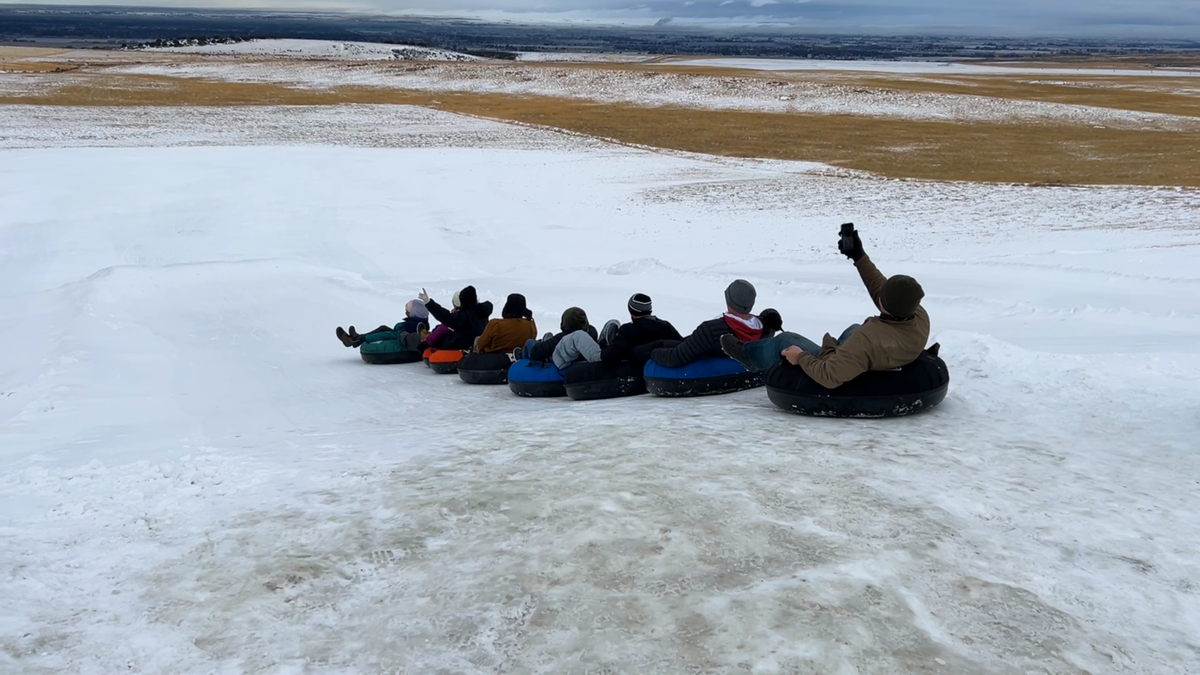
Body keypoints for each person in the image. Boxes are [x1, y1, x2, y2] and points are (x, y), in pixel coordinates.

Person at [721, 226, 929, 389]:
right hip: (878, 356)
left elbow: (829, 376)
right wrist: (859, 256)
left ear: (885, 305)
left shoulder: (868, 339)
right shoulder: (918, 316)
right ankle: (832, 352)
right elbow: (881, 290)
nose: (879, 293)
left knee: (785, 341)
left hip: (850, 371)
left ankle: (747, 354)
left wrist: (800, 356)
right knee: (853, 329)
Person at [649, 280, 774, 368]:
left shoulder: (711, 330)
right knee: (674, 342)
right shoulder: (766, 326)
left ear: (728, 300)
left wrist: (652, 353)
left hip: (697, 353)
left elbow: (675, 358)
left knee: (659, 345)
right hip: (696, 345)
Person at [598, 293, 684, 366]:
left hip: (632, 370)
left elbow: (608, 358)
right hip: (661, 369)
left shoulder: (628, 330)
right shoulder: (666, 327)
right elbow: (680, 345)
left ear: (631, 310)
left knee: (612, 323)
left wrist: (603, 345)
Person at [420, 285, 493, 351]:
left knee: (442, 338)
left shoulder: (463, 316)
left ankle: (426, 340)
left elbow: (445, 316)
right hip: (479, 340)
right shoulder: (482, 311)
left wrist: (429, 303)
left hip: (464, 343)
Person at [335, 299, 429, 350]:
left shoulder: (414, 325)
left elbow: (399, 334)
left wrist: (367, 338)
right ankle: (357, 337)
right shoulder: (420, 321)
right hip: (399, 334)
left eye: (407, 312)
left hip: (400, 338)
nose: (405, 313)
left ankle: (356, 340)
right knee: (383, 328)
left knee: (383, 333)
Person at [516, 307, 597, 362]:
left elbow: (537, 353)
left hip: (557, 360)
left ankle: (521, 359)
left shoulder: (564, 338)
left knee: (530, 342)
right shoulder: (591, 335)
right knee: (548, 336)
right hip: (576, 360)